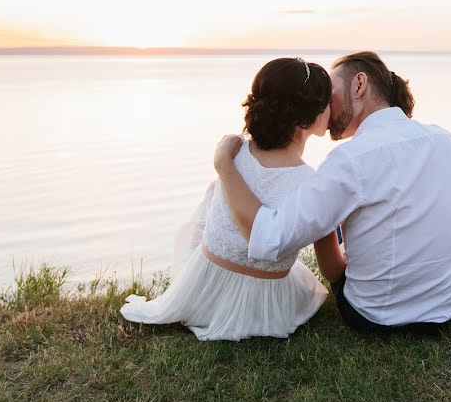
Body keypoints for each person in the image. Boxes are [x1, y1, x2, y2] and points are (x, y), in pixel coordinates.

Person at [214, 51, 451, 332]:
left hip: (373, 317)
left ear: (359, 85)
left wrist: (224, 165)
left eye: (330, 91)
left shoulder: (350, 159)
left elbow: (267, 237)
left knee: (340, 212)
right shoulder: (450, 142)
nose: (323, 105)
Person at [120, 57, 342, 340]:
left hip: (202, 291)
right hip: (264, 308)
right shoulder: (311, 183)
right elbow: (332, 268)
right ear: (304, 118)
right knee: (305, 282)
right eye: (325, 101)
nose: (330, 107)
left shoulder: (234, 152)